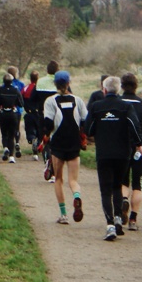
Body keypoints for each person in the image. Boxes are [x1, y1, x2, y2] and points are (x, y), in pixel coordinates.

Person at [85, 75, 142, 241]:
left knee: (105, 190)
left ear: (104, 90)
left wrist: (101, 126)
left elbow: (88, 129)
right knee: (117, 186)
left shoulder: (96, 106)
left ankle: (110, 225)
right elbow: (134, 126)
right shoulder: (125, 106)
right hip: (122, 154)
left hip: (104, 153)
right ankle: (118, 217)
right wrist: (139, 144)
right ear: (118, 89)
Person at [42, 70, 87, 225]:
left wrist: (45, 136)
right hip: (74, 143)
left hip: (58, 143)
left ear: (55, 84)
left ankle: (63, 214)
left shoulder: (50, 101)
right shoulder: (78, 100)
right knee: (73, 180)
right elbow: (84, 122)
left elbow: (48, 123)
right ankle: (76, 196)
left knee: (58, 179)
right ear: (69, 83)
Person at [119, 72, 142, 230]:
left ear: (122, 86)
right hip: (138, 148)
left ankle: (123, 201)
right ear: (136, 86)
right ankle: (133, 219)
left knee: (122, 181)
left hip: (120, 146)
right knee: (137, 183)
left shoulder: (118, 103)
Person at [34, 60, 61, 179]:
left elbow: (34, 98)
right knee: (57, 141)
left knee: (44, 140)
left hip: (43, 114)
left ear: (47, 70)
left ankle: (47, 160)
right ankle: (55, 168)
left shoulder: (40, 81)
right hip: (59, 116)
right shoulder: (60, 82)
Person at [0, 73, 24, 163]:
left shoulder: (0, 90)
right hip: (13, 114)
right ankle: (12, 157)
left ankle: (5, 148)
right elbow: (21, 104)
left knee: (4, 133)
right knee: (12, 135)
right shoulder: (16, 90)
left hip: (3, 113)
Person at [22, 69, 42, 159]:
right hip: (39, 113)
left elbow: (21, 98)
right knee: (39, 132)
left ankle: (32, 139)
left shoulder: (26, 88)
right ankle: (37, 148)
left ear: (30, 79)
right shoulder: (40, 88)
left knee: (30, 130)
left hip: (29, 113)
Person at [7, 66, 25, 158]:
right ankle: (17, 142)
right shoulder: (21, 84)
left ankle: (9, 147)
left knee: (9, 129)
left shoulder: (6, 84)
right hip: (18, 110)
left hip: (8, 110)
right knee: (17, 128)